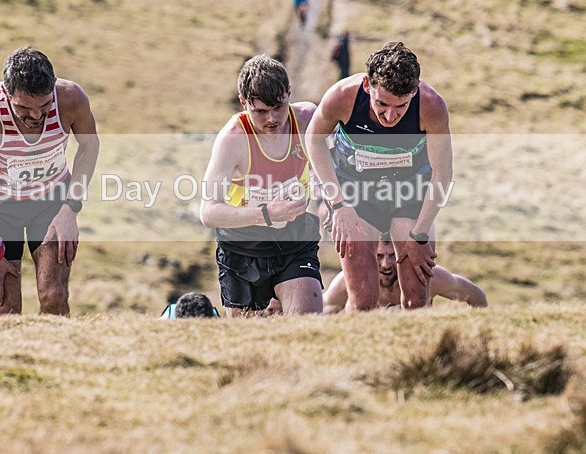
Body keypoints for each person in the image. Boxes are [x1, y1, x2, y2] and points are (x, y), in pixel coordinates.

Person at [306, 41, 453, 311]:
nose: (390, 115)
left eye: (401, 107)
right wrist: (338, 204)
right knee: (362, 299)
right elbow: (313, 141)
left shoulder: (431, 105)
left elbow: (443, 175)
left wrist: (420, 235)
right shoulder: (343, 96)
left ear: (414, 91)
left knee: (415, 298)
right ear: (367, 86)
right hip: (356, 192)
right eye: (381, 104)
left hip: (409, 191)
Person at [0, 46, 100, 316]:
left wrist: (70, 209)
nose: (36, 116)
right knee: (7, 309)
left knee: (54, 295)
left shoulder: (71, 99)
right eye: (24, 108)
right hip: (1, 208)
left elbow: (89, 146)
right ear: (6, 93)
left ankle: (60, 355)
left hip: (51, 202)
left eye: (44, 106)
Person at [199, 54, 323, 317]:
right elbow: (208, 213)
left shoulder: (307, 119)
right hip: (243, 246)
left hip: (294, 239)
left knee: (307, 323)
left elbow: (335, 163)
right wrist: (266, 214)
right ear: (244, 103)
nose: (272, 119)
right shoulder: (232, 140)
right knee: (249, 342)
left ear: (289, 92)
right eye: (260, 111)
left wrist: (334, 203)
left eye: (279, 106)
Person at [323, 234, 487, 312]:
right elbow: (323, 311)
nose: (385, 264)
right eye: (379, 256)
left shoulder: (427, 275)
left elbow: (476, 295)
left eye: (392, 256)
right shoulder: (350, 280)